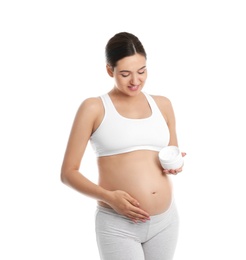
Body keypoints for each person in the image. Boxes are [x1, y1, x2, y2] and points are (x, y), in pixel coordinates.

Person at [61, 32, 186, 260]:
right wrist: (109, 197)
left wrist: (175, 164)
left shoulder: (163, 104)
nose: (135, 81)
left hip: (165, 221)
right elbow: (68, 173)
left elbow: (171, 152)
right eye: (126, 74)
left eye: (142, 71)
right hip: (118, 224)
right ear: (110, 70)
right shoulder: (94, 108)